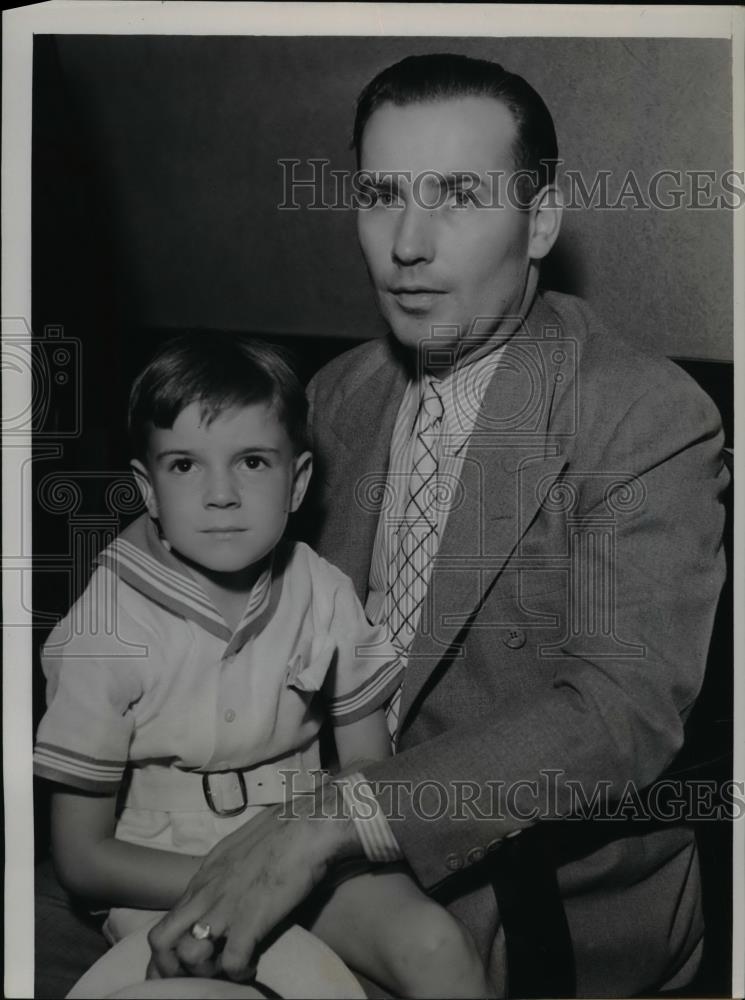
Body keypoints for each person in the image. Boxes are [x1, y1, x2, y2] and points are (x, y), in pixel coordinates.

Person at [147, 53, 729, 997]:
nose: (406, 244)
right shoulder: (335, 396)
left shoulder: (640, 413)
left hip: (527, 888)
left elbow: (620, 713)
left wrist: (335, 817)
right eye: (382, 195)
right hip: (307, 835)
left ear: (540, 220)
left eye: (456, 195)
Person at [33, 331, 493, 998]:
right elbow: (81, 860)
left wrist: (296, 863)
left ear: (297, 480)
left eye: (250, 462)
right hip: (163, 873)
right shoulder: (106, 626)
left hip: (306, 848)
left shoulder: (322, 591)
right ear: (149, 489)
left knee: (436, 945)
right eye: (185, 466)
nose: (220, 494)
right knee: (238, 980)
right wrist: (235, 881)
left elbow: (366, 768)